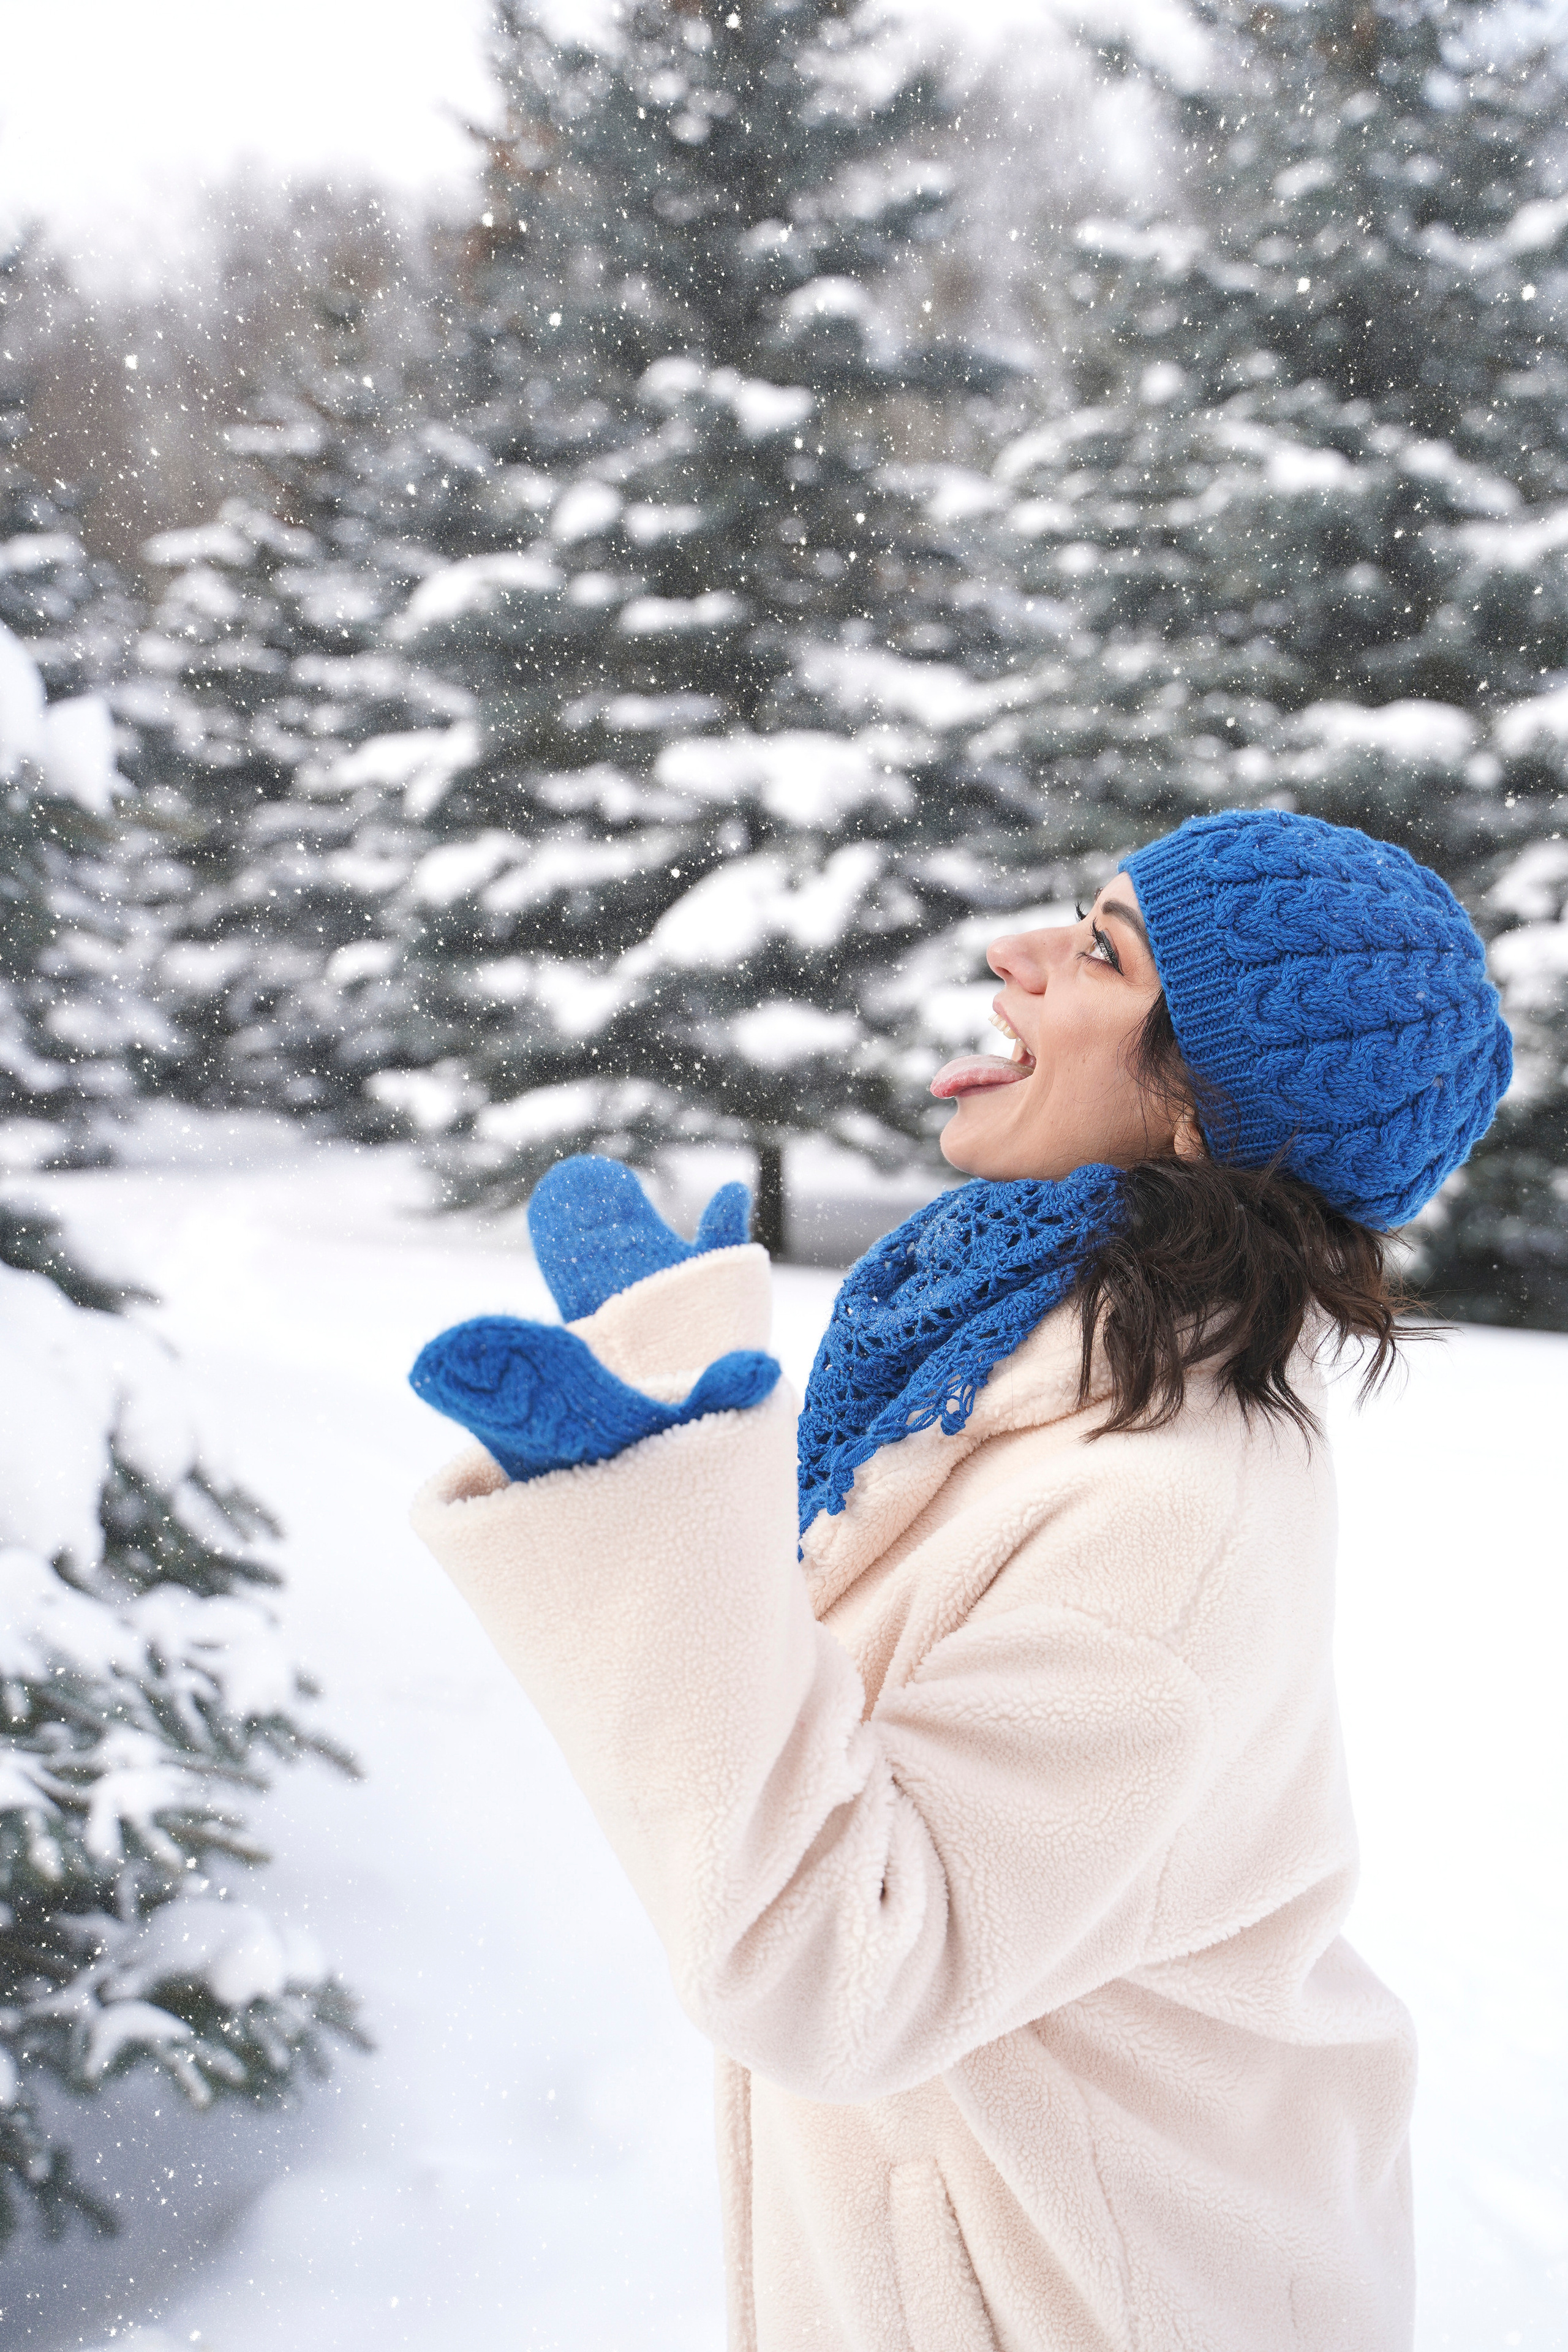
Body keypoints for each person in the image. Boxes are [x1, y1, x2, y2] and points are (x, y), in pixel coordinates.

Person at [408, 808, 1511, 2352]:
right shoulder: (1023, 1384)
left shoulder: (1161, 1507)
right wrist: (665, 1407)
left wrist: (646, 1505)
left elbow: (833, 1964)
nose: (1017, 951)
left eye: (1099, 952)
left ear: (1202, 1112)